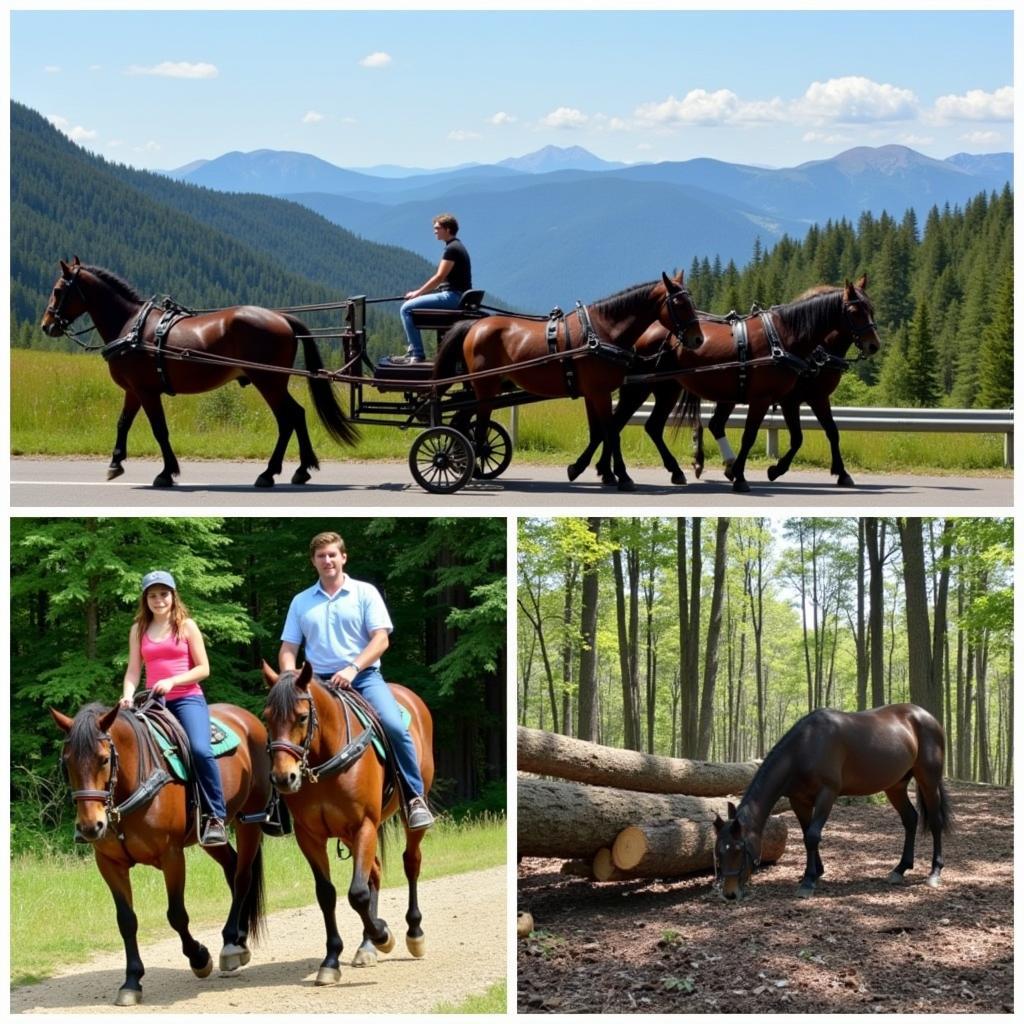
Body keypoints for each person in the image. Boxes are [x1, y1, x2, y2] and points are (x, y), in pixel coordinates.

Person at [279, 531, 434, 829]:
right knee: (281, 733)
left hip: (362, 678)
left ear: (343, 557)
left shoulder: (365, 593)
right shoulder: (301, 602)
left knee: (393, 725)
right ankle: (279, 809)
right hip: (316, 683)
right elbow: (288, 648)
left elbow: (380, 640)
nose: (328, 561)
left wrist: (352, 668)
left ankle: (414, 798)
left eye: (332, 555)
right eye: (321, 556)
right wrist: (289, 677)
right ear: (313, 561)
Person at [120, 570, 228, 847]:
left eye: (163, 594)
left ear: (173, 595)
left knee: (200, 750)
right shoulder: (138, 630)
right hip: (154, 703)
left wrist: (172, 681)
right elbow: (134, 671)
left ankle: (215, 816)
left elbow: (203, 668)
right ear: (145, 599)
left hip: (187, 698)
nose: (158, 600)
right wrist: (128, 696)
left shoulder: (187, 626)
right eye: (152, 595)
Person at [388, 212, 472, 364]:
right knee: (410, 307)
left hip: (453, 296)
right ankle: (415, 351)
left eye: (437, 228)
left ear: (447, 229)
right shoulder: (457, 246)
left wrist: (417, 293)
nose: (434, 231)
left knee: (406, 309)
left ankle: (416, 353)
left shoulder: (451, 249)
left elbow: (439, 277)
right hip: (457, 295)